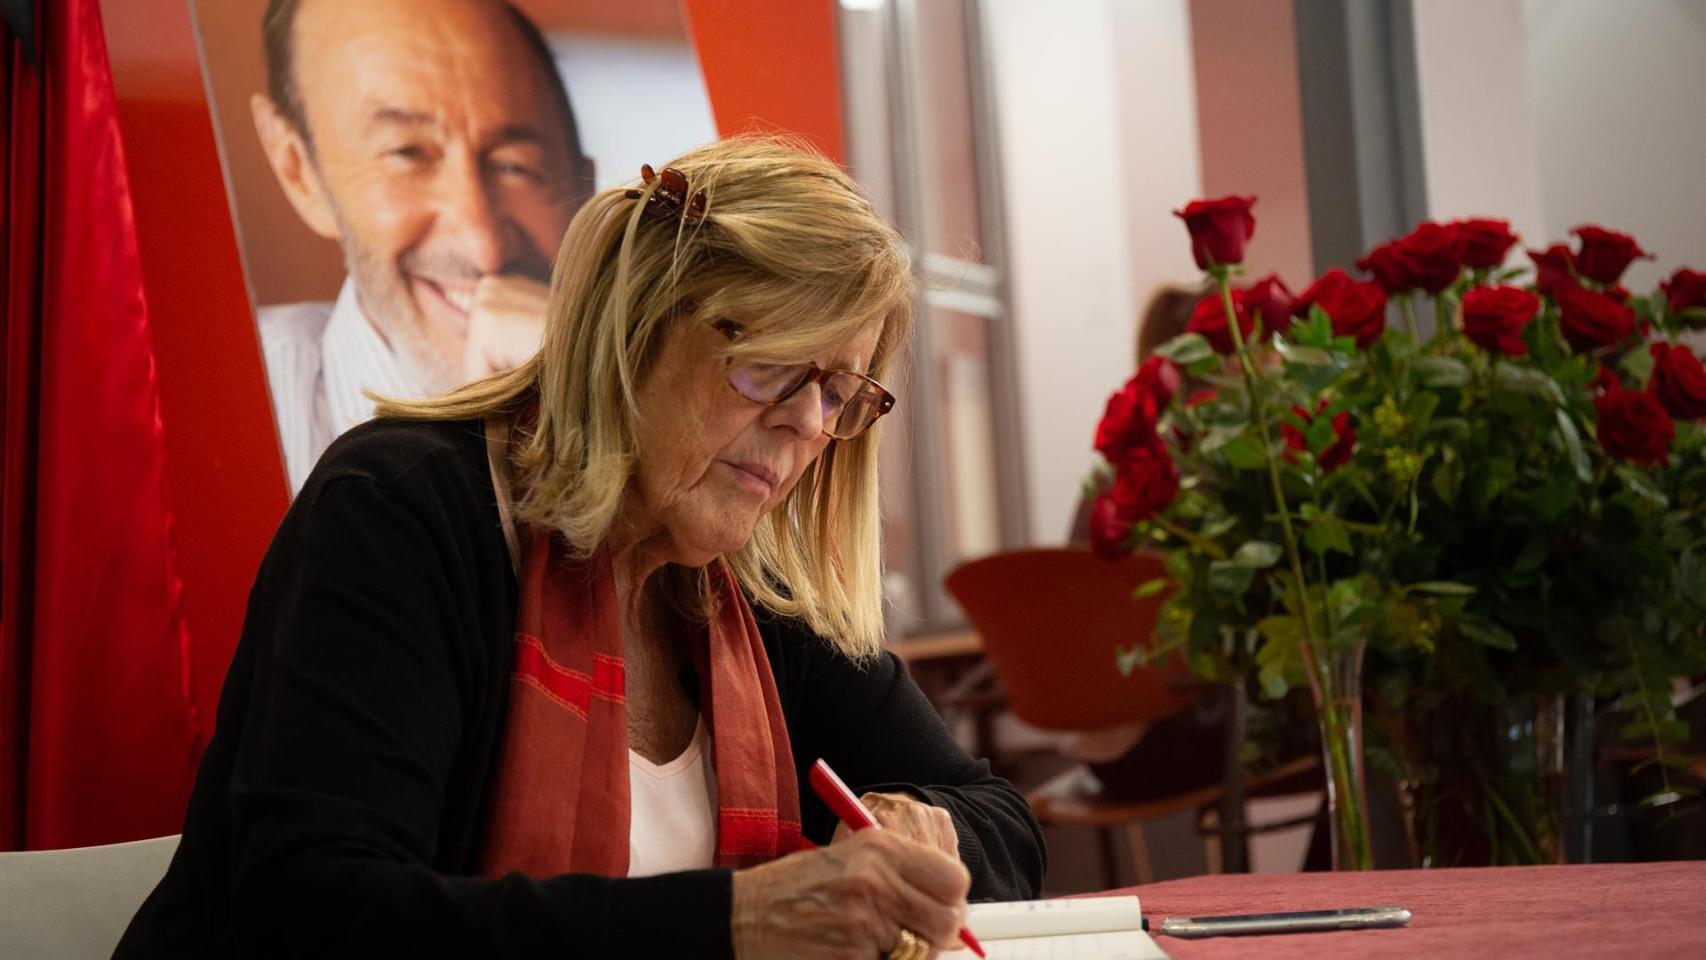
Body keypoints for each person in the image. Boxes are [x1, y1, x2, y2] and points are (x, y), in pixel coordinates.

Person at [115, 138, 1045, 959]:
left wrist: (921, 827)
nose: (807, 422)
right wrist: (734, 925)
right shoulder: (401, 512)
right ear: (638, 325)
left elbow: (1005, 822)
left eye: (840, 393)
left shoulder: (750, 587)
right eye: (771, 364)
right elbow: (319, 916)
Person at [250, 0, 598, 492]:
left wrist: (599, 389)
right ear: (299, 171)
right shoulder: (206, 406)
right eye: (407, 153)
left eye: (516, 166)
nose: (483, 246)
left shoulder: (674, 404)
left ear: (586, 197)